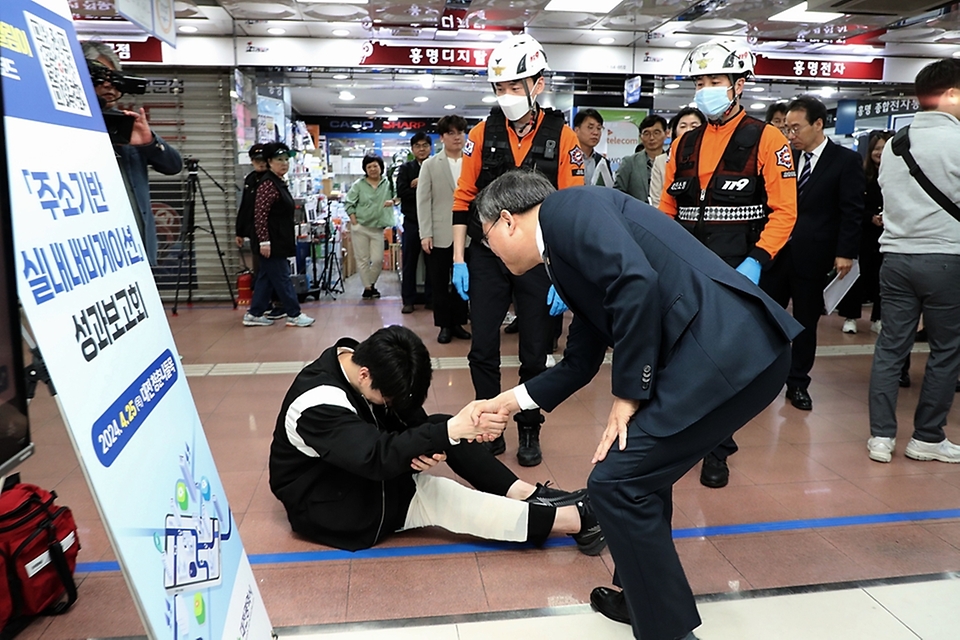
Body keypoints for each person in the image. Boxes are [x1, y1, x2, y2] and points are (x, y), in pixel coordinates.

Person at [472, 171, 801, 640]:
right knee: (640, 477)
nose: (493, 255)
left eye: (487, 242)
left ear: (506, 221)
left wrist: (627, 395)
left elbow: (635, 281)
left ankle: (669, 632)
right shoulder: (563, 253)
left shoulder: (568, 209)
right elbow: (580, 361)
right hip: (720, 353)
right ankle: (638, 599)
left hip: (730, 352)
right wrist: (513, 401)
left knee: (616, 482)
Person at [268, 325, 603, 555]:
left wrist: (443, 435)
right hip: (334, 503)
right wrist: (443, 435)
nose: (391, 404)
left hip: (356, 471)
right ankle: (577, 520)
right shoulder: (317, 404)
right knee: (438, 494)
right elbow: (374, 457)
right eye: (387, 398)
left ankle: (528, 495)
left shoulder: (361, 359)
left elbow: (408, 418)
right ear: (365, 375)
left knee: (442, 426)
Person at [660, 39, 796, 489]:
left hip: (740, 266)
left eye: (714, 81)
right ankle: (680, 439)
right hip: (685, 264)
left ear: (738, 85)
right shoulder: (683, 144)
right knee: (680, 356)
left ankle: (719, 449)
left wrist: (758, 261)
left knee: (724, 360)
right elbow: (667, 210)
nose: (705, 90)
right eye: (699, 82)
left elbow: (784, 211)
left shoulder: (768, 138)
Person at [451, 33, 585, 467]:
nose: (506, 96)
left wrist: (567, 275)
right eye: (499, 88)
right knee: (482, 347)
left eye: (514, 86)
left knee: (534, 350)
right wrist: (458, 260)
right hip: (487, 256)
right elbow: (462, 197)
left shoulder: (563, 138)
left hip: (539, 261)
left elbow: (574, 210)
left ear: (538, 84)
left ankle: (528, 426)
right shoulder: (479, 134)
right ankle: (489, 425)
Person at [867, 58, 960, 465]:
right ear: (952, 94)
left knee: (891, 347)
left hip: (896, 259)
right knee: (945, 349)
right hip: (946, 259)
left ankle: (881, 438)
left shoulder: (894, 143)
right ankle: (926, 437)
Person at [763, 96, 863, 411]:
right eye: (787, 128)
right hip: (776, 252)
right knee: (767, 318)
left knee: (805, 322)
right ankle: (762, 379)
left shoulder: (844, 161)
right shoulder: (785, 159)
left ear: (818, 124)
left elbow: (851, 211)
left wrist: (845, 252)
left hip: (814, 254)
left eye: (796, 128)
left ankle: (797, 383)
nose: (790, 135)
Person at [82, 41, 182, 267]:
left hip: (139, 252)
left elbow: (174, 165)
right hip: (95, 257)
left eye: (114, 78)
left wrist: (148, 143)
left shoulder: (127, 123)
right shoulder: (65, 125)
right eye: (99, 76)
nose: (109, 85)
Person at [242, 143, 315, 328]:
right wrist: (264, 241)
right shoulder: (268, 184)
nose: (284, 164)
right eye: (279, 160)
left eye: (286, 160)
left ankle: (255, 313)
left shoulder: (278, 182)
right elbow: (260, 215)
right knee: (282, 277)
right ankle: (294, 314)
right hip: (272, 241)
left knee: (266, 278)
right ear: (269, 162)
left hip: (279, 239)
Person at [417, 115, 472, 344]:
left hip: (468, 235)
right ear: (441, 138)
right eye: (450, 133)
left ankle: (459, 321)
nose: (457, 137)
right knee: (439, 283)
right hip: (439, 233)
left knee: (464, 281)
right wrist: (425, 233)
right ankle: (444, 325)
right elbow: (423, 200)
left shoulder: (472, 161)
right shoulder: (430, 164)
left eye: (460, 132)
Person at [838, 131, 892, 335]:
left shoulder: (898, 175)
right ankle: (850, 316)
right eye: (876, 148)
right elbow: (853, 204)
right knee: (857, 276)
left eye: (884, 148)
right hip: (864, 233)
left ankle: (878, 317)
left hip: (887, 235)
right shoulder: (861, 174)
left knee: (882, 278)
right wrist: (870, 216)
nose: (879, 152)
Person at [346, 155, 396, 300]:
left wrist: (393, 201)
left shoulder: (388, 183)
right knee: (362, 259)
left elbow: (398, 197)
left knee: (378, 259)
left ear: (381, 167)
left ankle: (371, 283)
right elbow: (349, 203)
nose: (373, 169)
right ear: (365, 169)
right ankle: (368, 288)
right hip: (361, 226)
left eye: (375, 166)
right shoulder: (359, 184)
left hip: (378, 228)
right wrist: (354, 222)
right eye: (369, 167)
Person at [396, 133, 433, 314]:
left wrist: (421, 184)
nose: (421, 149)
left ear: (430, 148)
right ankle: (408, 300)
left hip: (433, 223)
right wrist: (423, 189)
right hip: (411, 222)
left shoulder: (435, 167)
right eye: (417, 146)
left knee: (432, 264)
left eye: (425, 145)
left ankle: (431, 298)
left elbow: (439, 193)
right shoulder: (405, 169)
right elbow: (402, 192)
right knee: (409, 263)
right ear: (412, 149)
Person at [648, 107, 704, 208]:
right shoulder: (661, 161)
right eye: (683, 126)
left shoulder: (711, 158)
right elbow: (656, 200)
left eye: (694, 126)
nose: (688, 130)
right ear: (675, 132)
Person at [614, 114, 667, 203]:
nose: (652, 138)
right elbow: (618, 193)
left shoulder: (672, 162)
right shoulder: (629, 163)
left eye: (656, 132)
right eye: (646, 133)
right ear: (640, 137)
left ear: (666, 134)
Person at [574, 108, 612, 186]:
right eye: (590, 127)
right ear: (577, 130)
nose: (595, 132)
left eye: (599, 128)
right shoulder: (566, 159)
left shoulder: (602, 162)